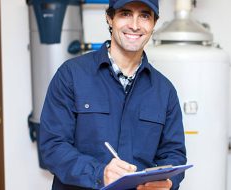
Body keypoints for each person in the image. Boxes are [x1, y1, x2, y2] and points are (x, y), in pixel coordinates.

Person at [39, 0, 187, 189]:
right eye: (125, 13)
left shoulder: (164, 91)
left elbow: (174, 154)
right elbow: (53, 147)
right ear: (110, 18)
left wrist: (168, 182)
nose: (134, 25)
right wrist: (99, 173)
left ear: (153, 24)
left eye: (144, 15)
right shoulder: (71, 75)